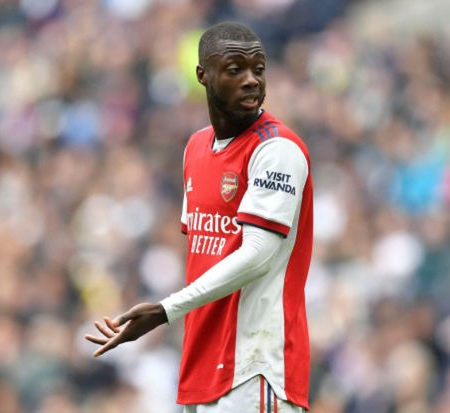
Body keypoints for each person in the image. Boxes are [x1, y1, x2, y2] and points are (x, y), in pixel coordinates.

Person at [86, 21, 313, 413]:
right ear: (202, 75)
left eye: (258, 69)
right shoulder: (195, 147)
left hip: (255, 366)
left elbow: (257, 254)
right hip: (203, 363)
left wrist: (166, 310)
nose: (251, 80)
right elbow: (203, 257)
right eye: (235, 69)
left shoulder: (277, 150)